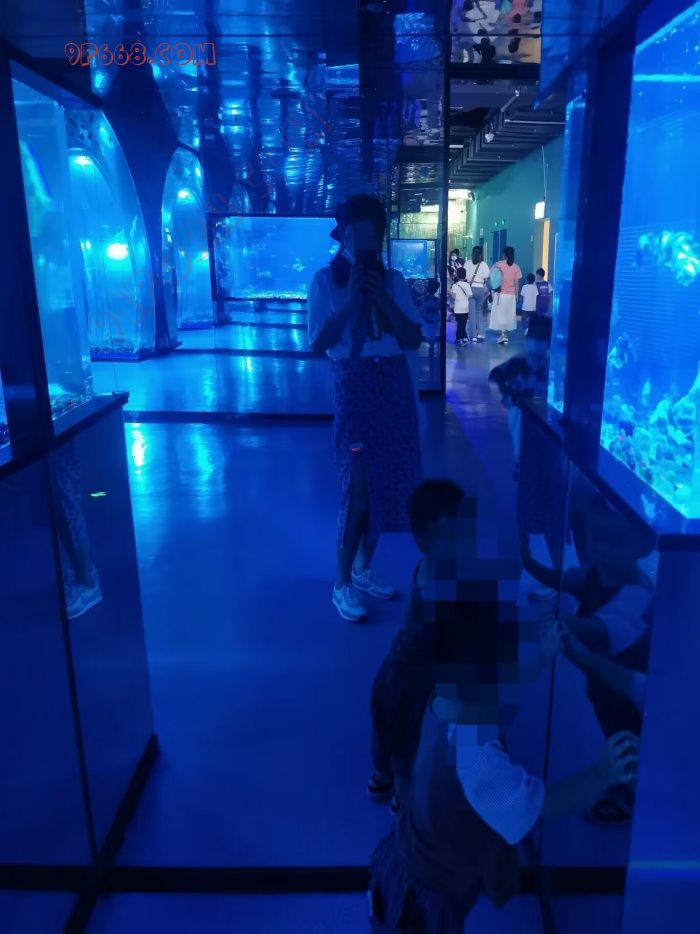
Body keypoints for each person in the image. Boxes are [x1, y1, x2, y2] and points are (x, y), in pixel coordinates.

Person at [368, 505, 639, 933]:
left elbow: (502, 688)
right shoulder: (478, 761)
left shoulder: (446, 699)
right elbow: (542, 804)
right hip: (430, 897)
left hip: (412, 853)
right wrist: (601, 773)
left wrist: (541, 657)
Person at [308, 195, 423, 623]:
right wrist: (353, 301)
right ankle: (341, 583)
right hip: (353, 386)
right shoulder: (324, 281)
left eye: (371, 233)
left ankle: (362, 569)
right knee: (357, 486)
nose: (363, 241)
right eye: (354, 233)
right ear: (342, 236)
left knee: (386, 482)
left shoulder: (394, 280)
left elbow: (413, 337)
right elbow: (318, 342)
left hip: (392, 385)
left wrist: (383, 298)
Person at [521, 498, 654, 824]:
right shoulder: (597, 573)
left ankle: (635, 797)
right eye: (596, 538)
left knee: (628, 734)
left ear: (642, 546)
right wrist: (530, 562)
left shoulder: (638, 593)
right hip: (602, 682)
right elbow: (566, 581)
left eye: (614, 541)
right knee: (612, 728)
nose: (601, 548)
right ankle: (624, 780)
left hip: (625, 686)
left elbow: (594, 628)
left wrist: (550, 622)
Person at [368, 479, 466, 815]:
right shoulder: (446, 586)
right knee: (408, 740)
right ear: (424, 541)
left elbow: (413, 619)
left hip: (397, 667)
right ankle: (403, 802)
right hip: (417, 679)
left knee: (386, 724)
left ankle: (380, 776)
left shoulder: (425, 568)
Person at [490, 246, 522, 345]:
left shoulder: (498, 264)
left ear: (504, 254)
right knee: (508, 315)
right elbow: (516, 283)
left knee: (500, 315)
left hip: (500, 294)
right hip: (511, 295)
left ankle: (503, 335)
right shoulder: (516, 267)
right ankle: (505, 334)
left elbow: (492, 276)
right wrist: (517, 295)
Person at [464, 245, 489, 343]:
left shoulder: (468, 263)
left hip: (470, 288)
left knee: (471, 314)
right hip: (480, 289)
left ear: (472, 253)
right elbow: (487, 277)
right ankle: (481, 334)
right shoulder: (484, 264)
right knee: (479, 311)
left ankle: (473, 335)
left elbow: (465, 276)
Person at [449, 267, 472, 346]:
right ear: (465, 275)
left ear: (457, 275)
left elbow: (454, 296)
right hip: (465, 307)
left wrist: (449, 291)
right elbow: (470, 295)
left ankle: (461, 338)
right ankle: (461, 337)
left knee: (459, 323)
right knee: (463, 323)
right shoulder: (467, 285)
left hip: (458, 307)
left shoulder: (455, 285)